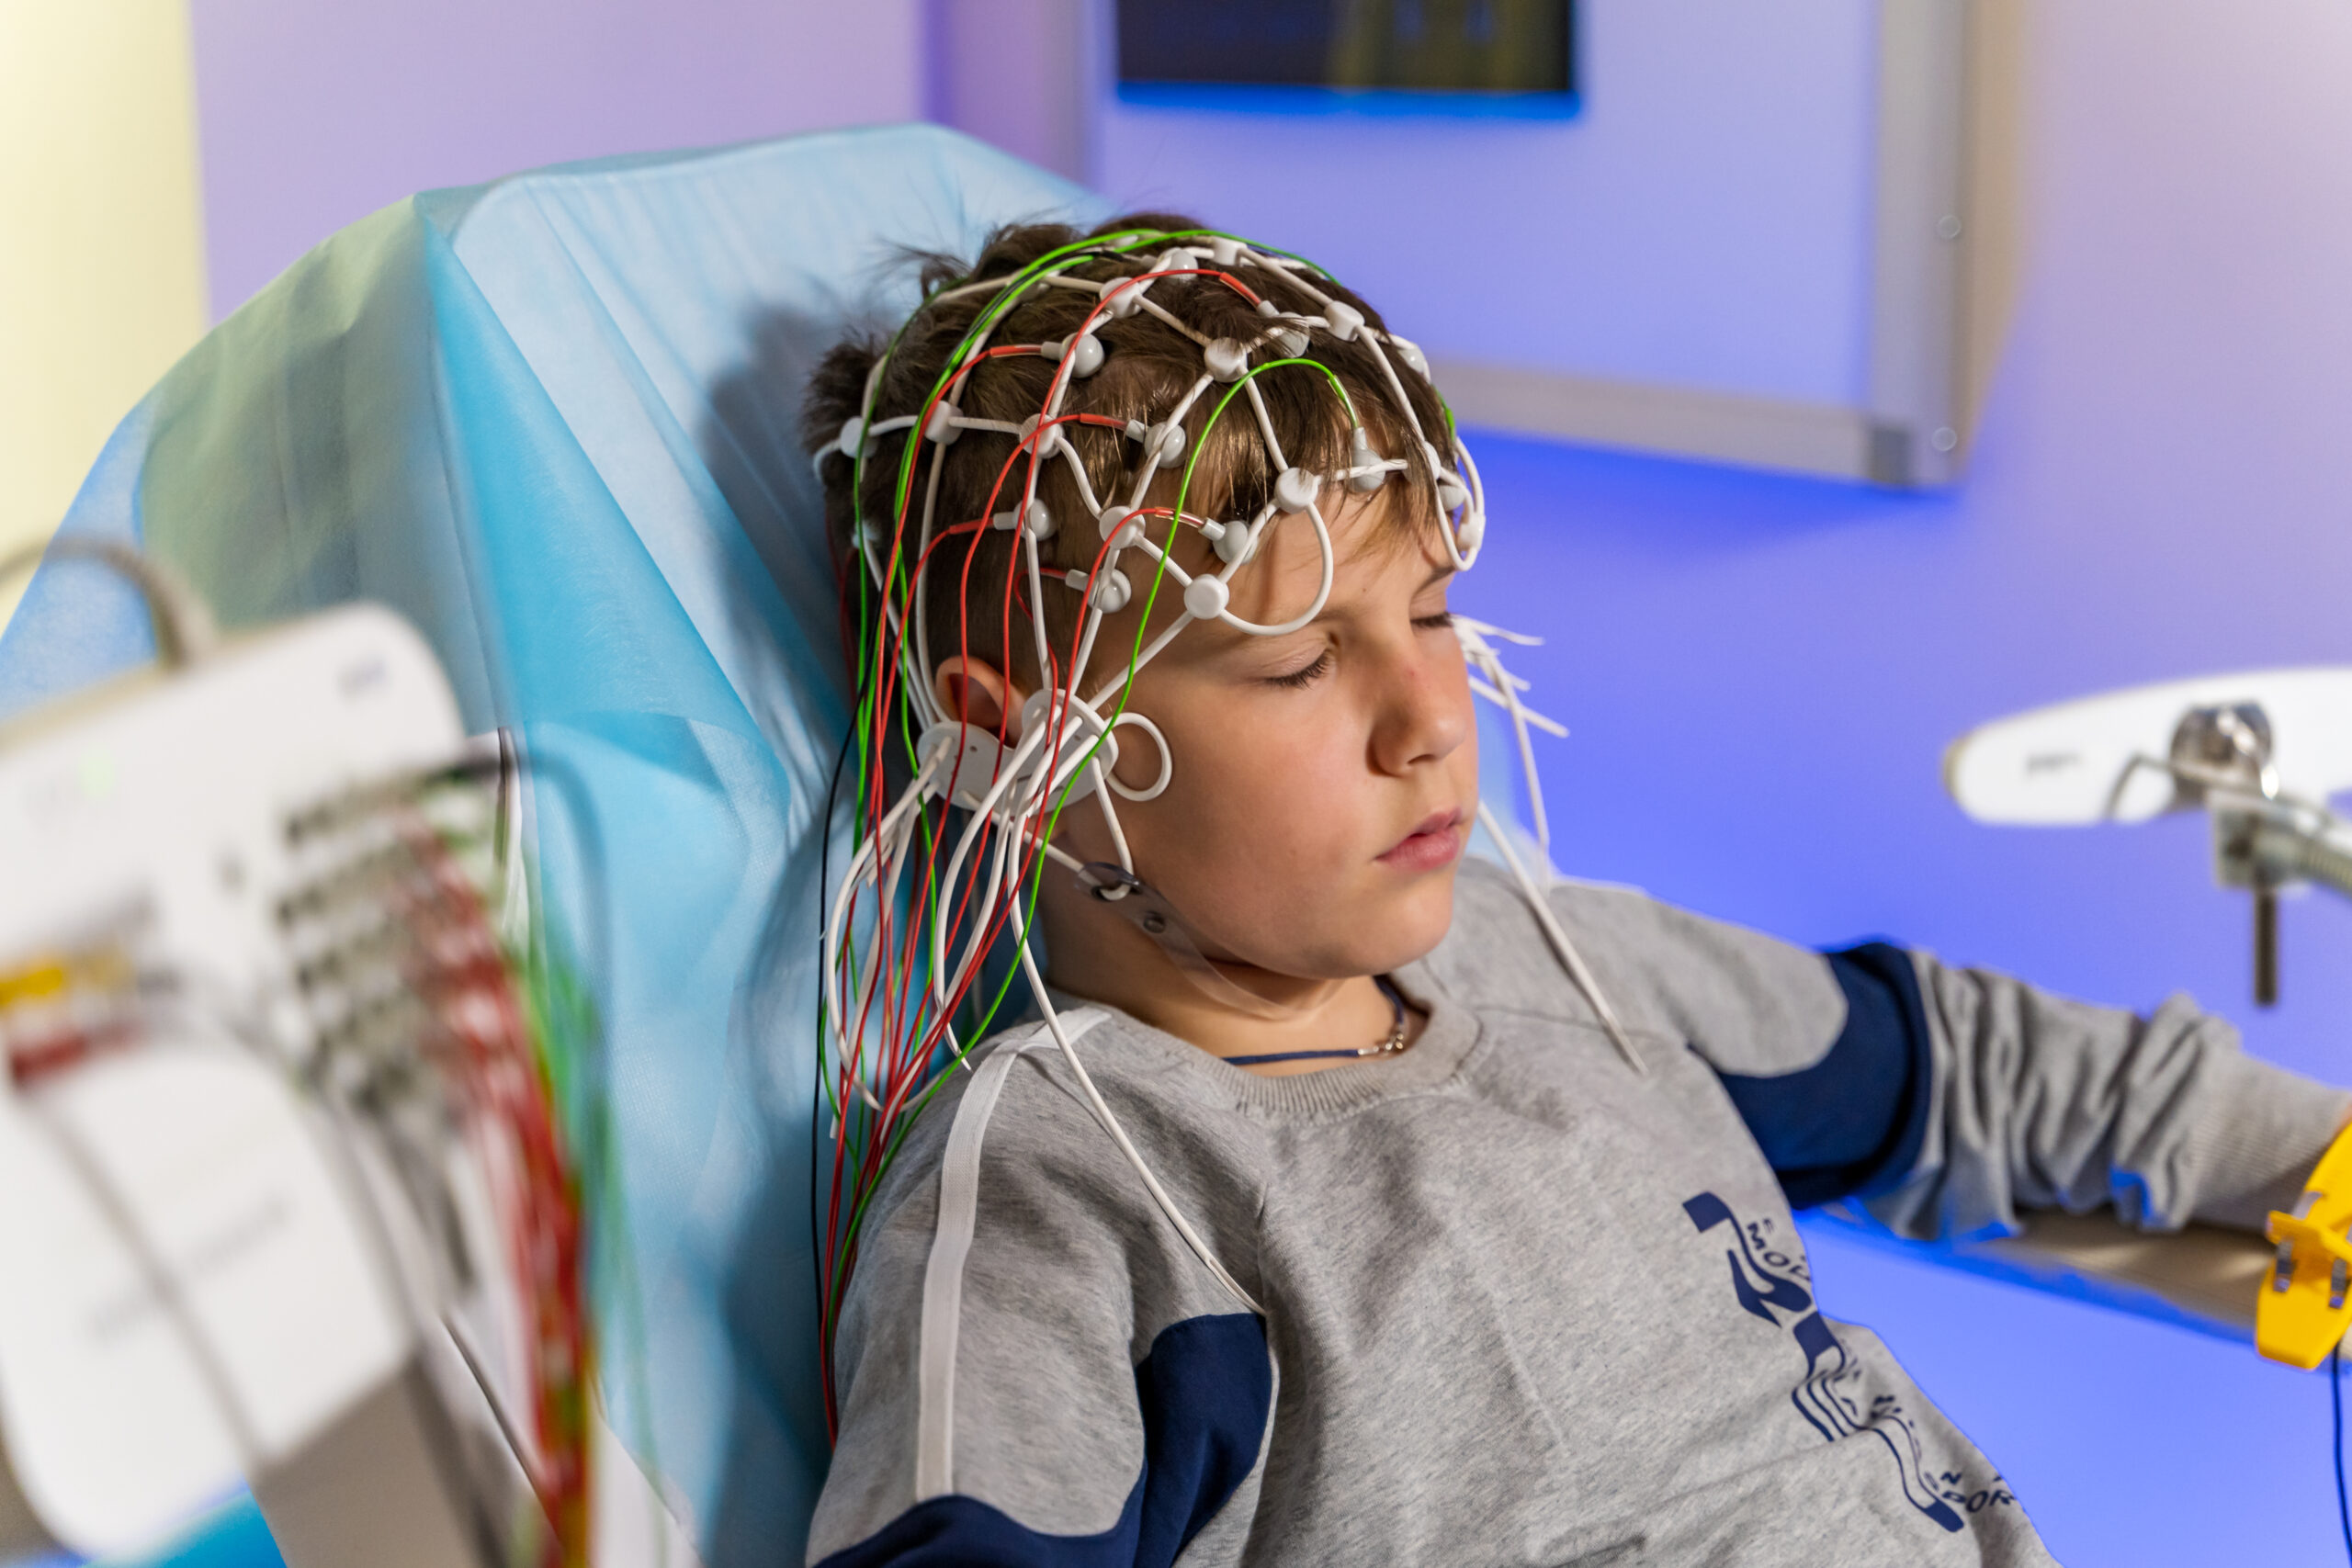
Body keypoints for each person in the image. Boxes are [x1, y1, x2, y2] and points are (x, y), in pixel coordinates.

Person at [796, 213, 2347, 1567]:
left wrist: (2319, 1160)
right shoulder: (1085, 1185)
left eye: (1435, 611)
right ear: (1026, 740)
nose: (1430, 719)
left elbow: (1973, 1067)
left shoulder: (1557, 961)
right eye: (1301, 662)